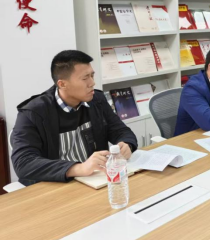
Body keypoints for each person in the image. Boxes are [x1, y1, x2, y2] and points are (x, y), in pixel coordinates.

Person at [11, 51, 138, 186]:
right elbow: (23, 162)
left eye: (92, 75)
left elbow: (121, 131)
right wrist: (79, 168)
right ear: (62, 84)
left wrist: (126, 144)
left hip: (95, 181)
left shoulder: (97, 100)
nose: (92, 83)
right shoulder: (33, 113)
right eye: (85, 78)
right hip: (54, 184)